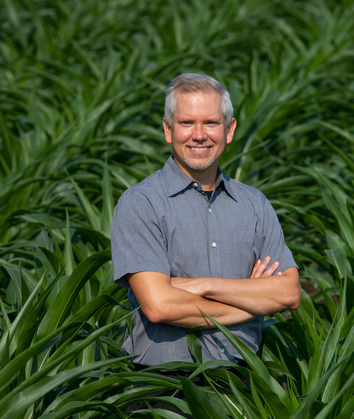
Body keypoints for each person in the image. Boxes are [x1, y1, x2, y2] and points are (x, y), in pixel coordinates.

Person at [111, 73, 300, 368]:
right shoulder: (141, 203)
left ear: (229, 129)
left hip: (243, 380)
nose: (199, 135)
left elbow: (288, 293)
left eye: (211, 123)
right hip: (161, 385)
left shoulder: (255, 204)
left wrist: (203, 285)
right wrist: (251, 303)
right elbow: (159, 306)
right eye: (187, 123)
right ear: (167, 129)